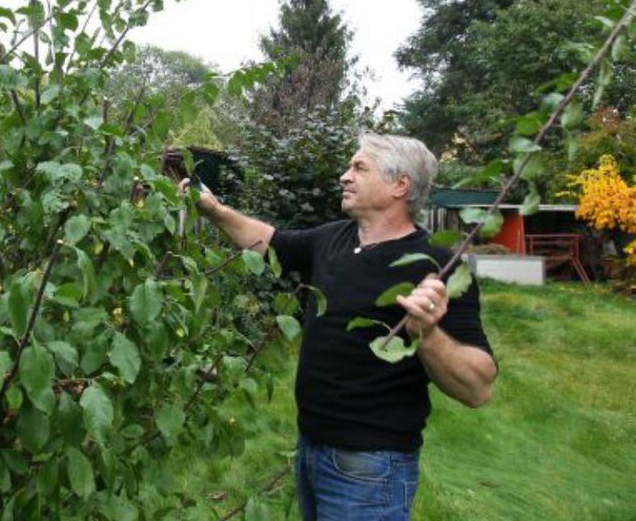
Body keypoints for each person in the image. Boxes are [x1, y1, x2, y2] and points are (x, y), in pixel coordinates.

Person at [186, 133, 497, 520]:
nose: (345, 177)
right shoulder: (334, 238)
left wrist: (428, 335)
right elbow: (267, 242)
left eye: (359, 168)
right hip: (311, 447)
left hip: (371, 467)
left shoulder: (436, 266)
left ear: (400, 185)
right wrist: (215, 210)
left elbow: (478, 387)